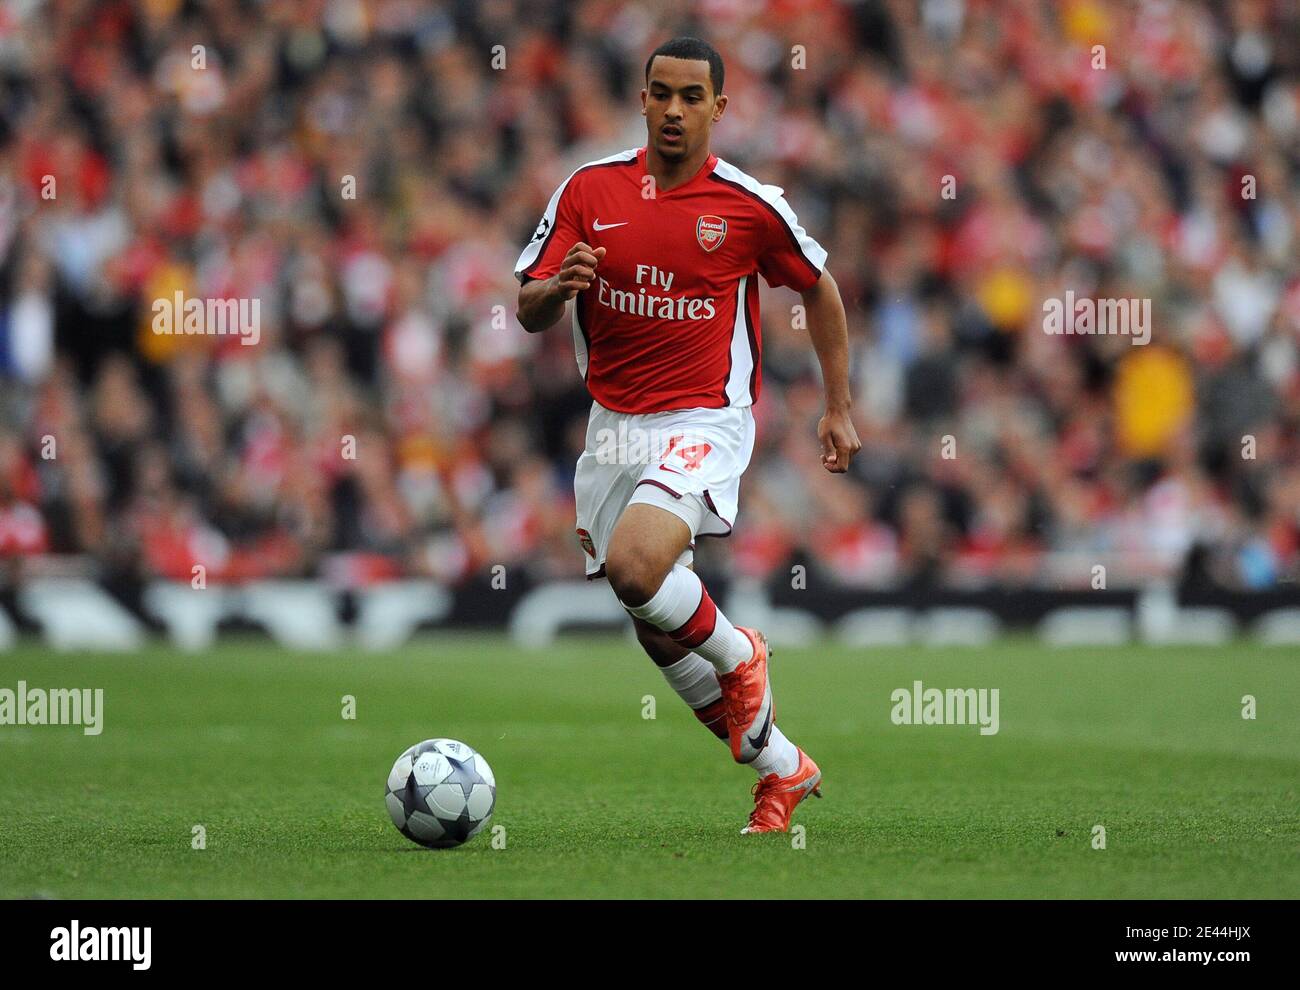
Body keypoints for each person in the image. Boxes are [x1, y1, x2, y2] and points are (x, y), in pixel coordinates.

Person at [514, 36, 860, 834]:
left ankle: (744, 655)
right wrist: (558, 290)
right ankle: (782, 771)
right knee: (655, 627)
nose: (674, 110)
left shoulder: (747, 205)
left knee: (639, 570)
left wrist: (838, 405)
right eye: (660, 93)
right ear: (641, 99)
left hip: (705, 415)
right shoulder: (588, 188)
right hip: (614, 428)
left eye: (691, 97)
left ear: (718, 108)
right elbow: (527, 304)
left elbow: (822, 289)